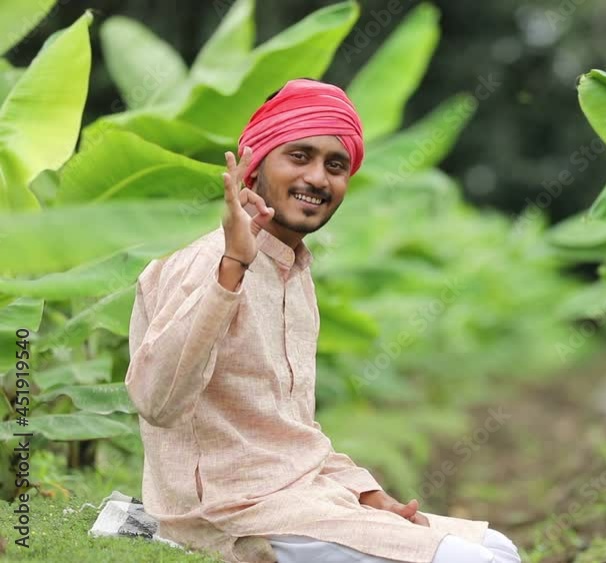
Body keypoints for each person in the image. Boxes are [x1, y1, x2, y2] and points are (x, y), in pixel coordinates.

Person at [125, 78, 521, 563]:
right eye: (299, 156)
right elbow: (156, 401)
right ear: (254, 164)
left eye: (336, 166)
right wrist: (232, 268)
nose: (318, 178)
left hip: (303, 498)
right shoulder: (203, 261)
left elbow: (291, 432)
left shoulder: (295, 272)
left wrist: (367, 494)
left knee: (499, 548)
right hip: (229, 512)